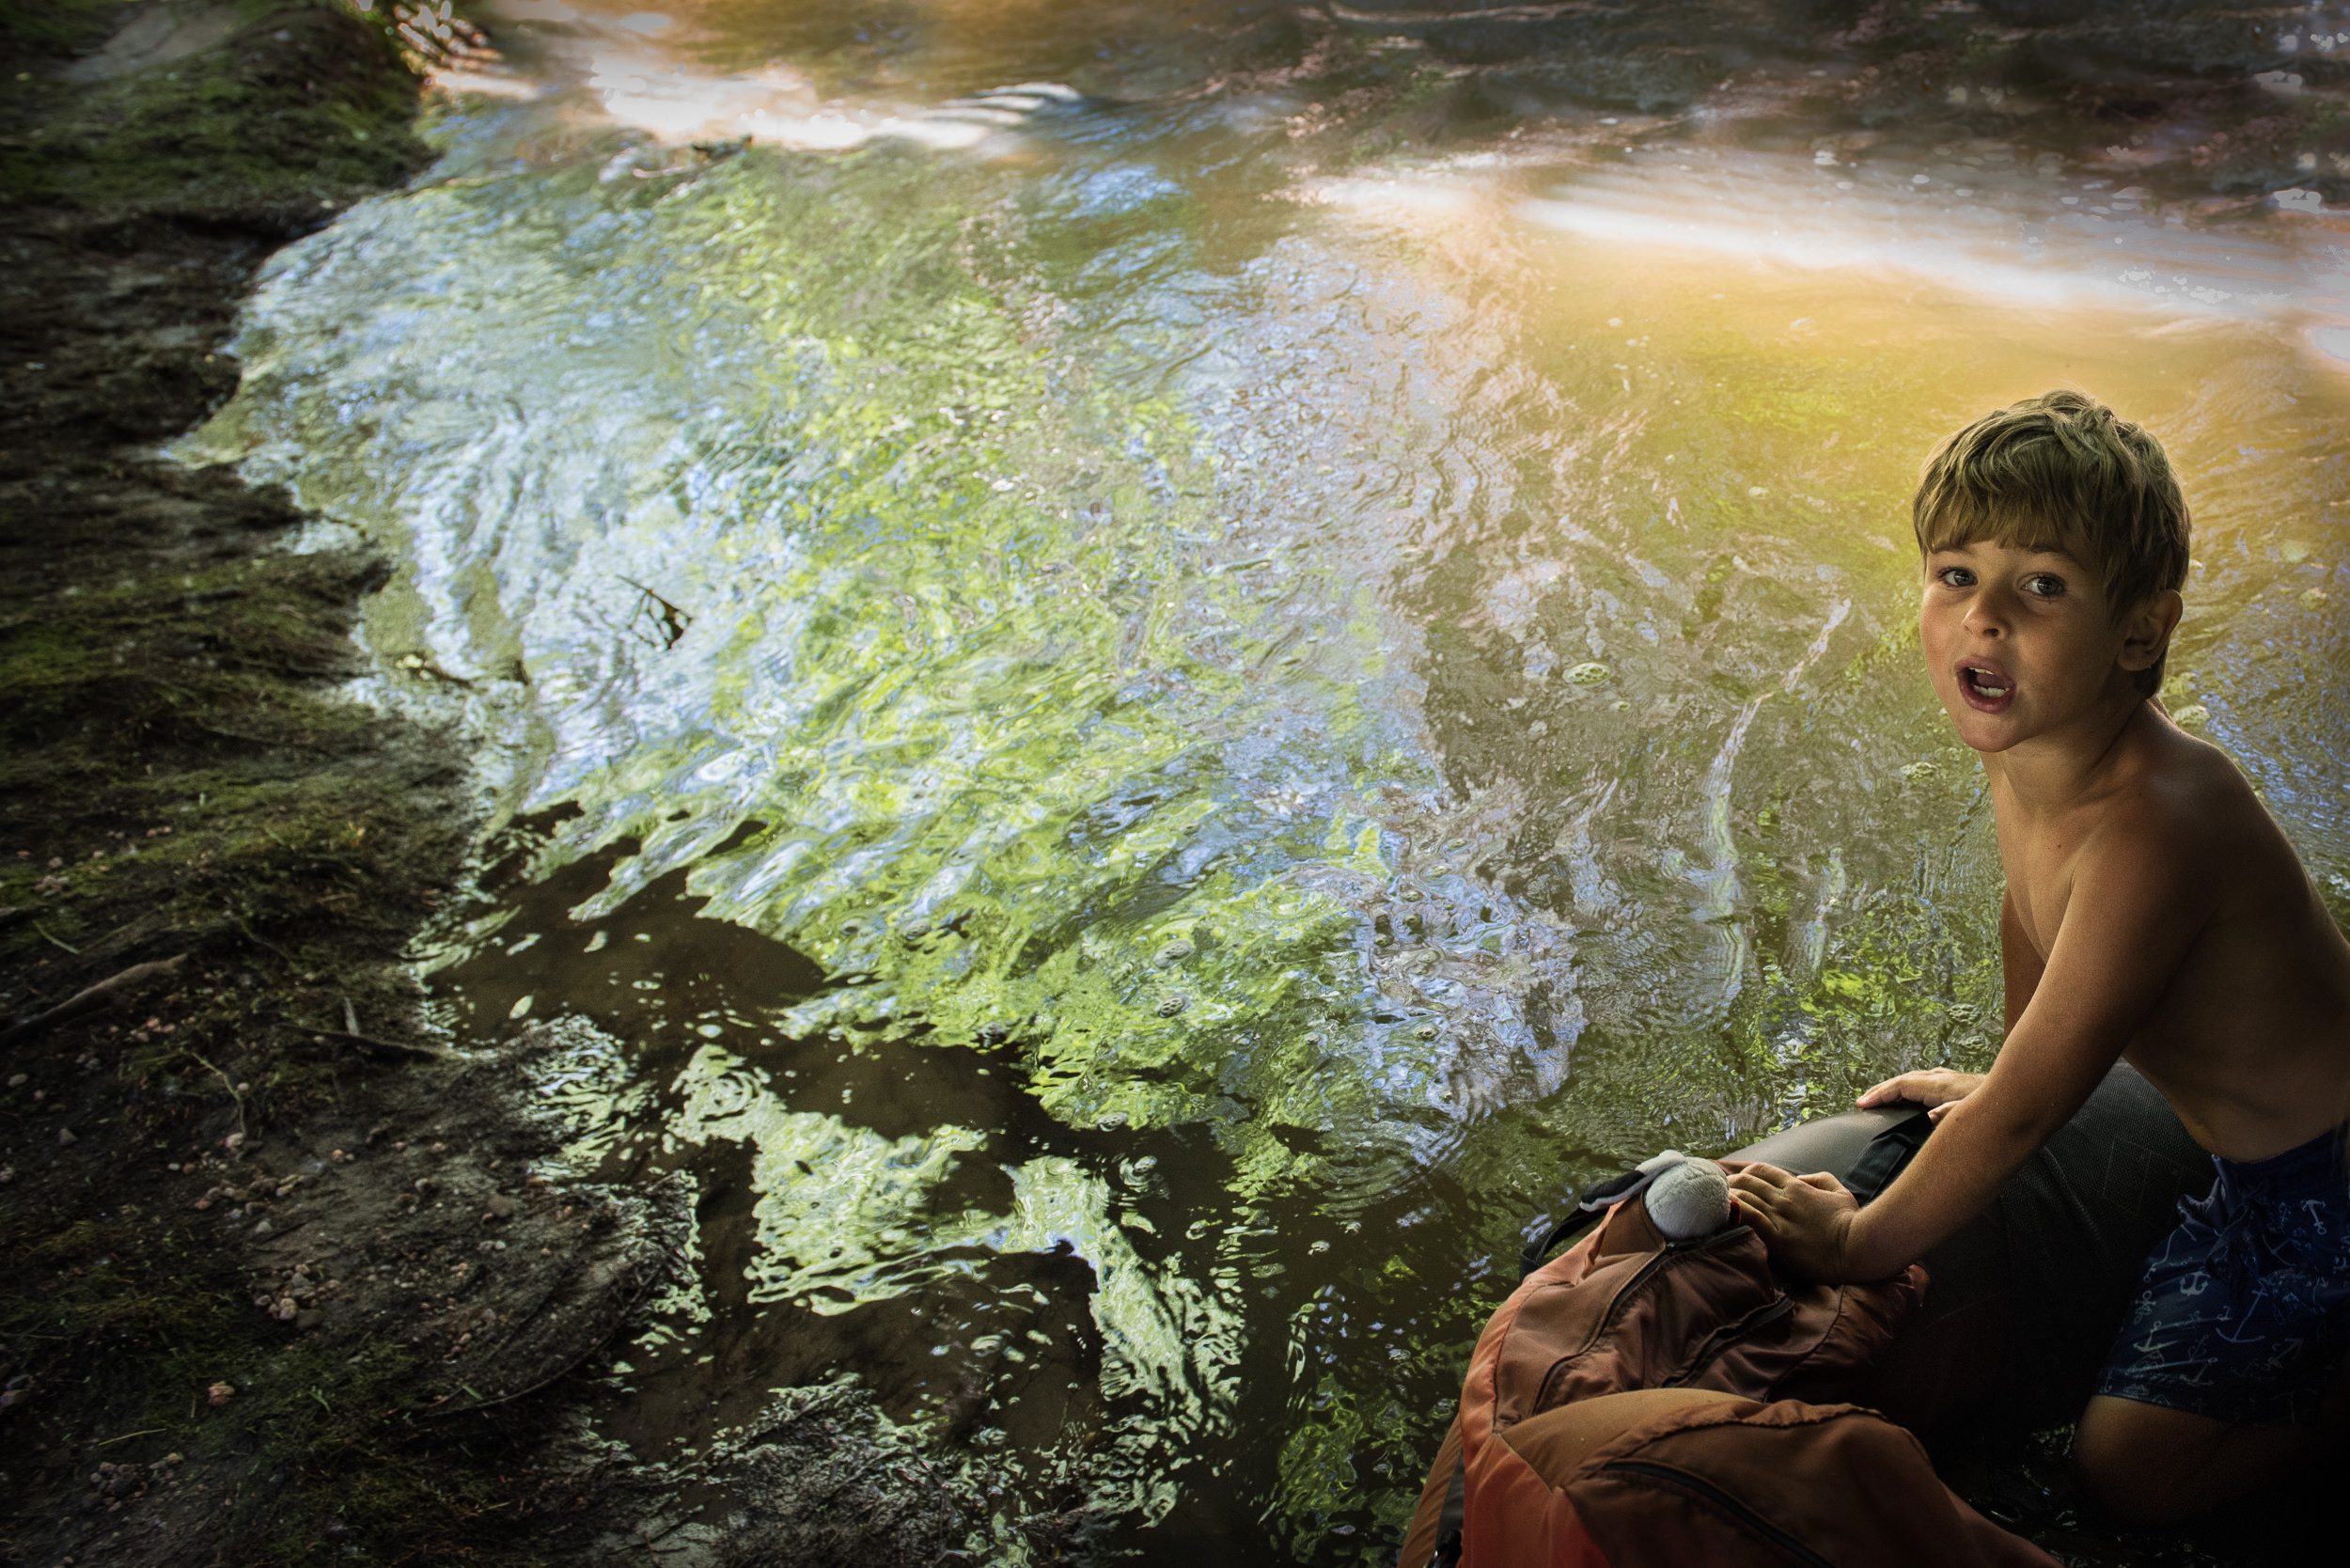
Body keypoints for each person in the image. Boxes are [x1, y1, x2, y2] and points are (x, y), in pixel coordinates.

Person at [1723, 390, 2350, 1524]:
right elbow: (2029, 915)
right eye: (1955, 574)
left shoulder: (2161, 820)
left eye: (2041, 586)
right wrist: (2005, 1066)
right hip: (2249, 1159)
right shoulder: (2034, 745)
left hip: (2328, 1184)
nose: (1983, 620)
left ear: (2140, 632)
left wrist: (1862, 1241)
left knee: (2125, 1479)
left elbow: (2022, 1122)